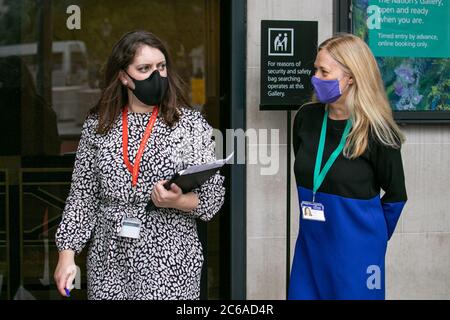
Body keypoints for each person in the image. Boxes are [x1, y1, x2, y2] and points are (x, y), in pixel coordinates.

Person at [53, 31, 225, 300]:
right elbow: (83, 196)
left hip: (170, 258)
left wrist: (176, 201)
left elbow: (213, 200)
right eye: (144, 69)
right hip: (109, 259)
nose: (156, 76)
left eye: (161, 67)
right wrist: (67, 254)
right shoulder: (98, 126)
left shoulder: (190, 125)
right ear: (124, 76)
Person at [289, 33, 407, 300]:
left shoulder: (377, 131)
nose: (316, 77)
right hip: (311, 246)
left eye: (324, 72)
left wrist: (369, 239)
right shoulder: (307, 117)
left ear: (351, 77)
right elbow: (308, 169)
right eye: (315, 69)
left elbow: (396, 195)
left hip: (357, 255)